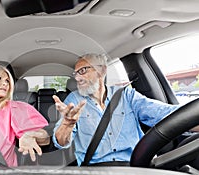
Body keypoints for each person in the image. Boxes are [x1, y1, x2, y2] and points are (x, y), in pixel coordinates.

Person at [52, 53, 199, 166]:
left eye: (83, 70)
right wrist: (67, 125)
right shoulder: (74, 100)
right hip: (95, 170)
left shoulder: (126, 95)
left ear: (102, 71)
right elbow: (61, 141)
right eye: (75, 73)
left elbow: (165, 115)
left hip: (135, 166)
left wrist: (193, 118)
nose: (77, 78)